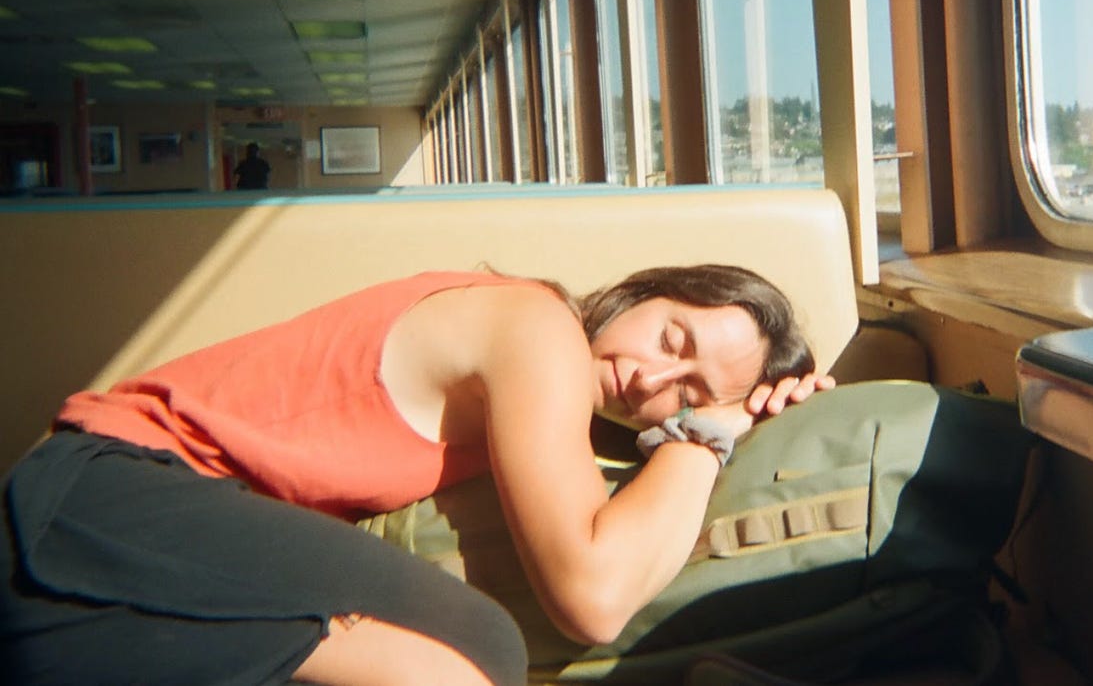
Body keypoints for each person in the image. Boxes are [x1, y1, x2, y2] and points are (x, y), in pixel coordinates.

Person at [0, 264, 830, 686]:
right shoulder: (537, 330)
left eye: (687, 390)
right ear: (647, 291)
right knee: (471, 654)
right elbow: (592, 593)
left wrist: (765, 412)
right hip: (105, 499)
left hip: (106, 518)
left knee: (471, 651)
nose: (651, 380)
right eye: (672, 339)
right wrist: (705, 432)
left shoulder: (548, 375)